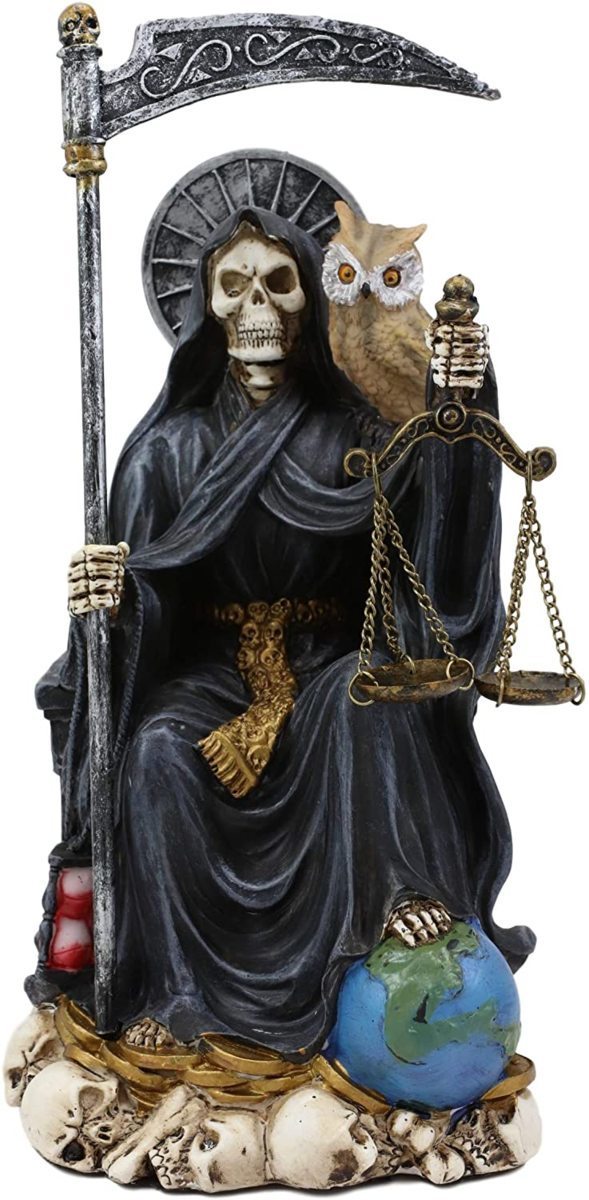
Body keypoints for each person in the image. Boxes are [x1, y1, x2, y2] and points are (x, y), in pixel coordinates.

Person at [29, 205, 534, 1055]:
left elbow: (433, 541)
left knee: (360, 696)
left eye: (278, 282)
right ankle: (176, 988)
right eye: (234, 287)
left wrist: (457, 407)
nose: (256, 305)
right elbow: (149, 600)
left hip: (328, 654)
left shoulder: (357, 436)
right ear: (206, 309)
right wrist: (109, 600)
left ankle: (394, 896)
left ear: (311, 303)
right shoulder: (167, 451)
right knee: (155, 752)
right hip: (213, 672)